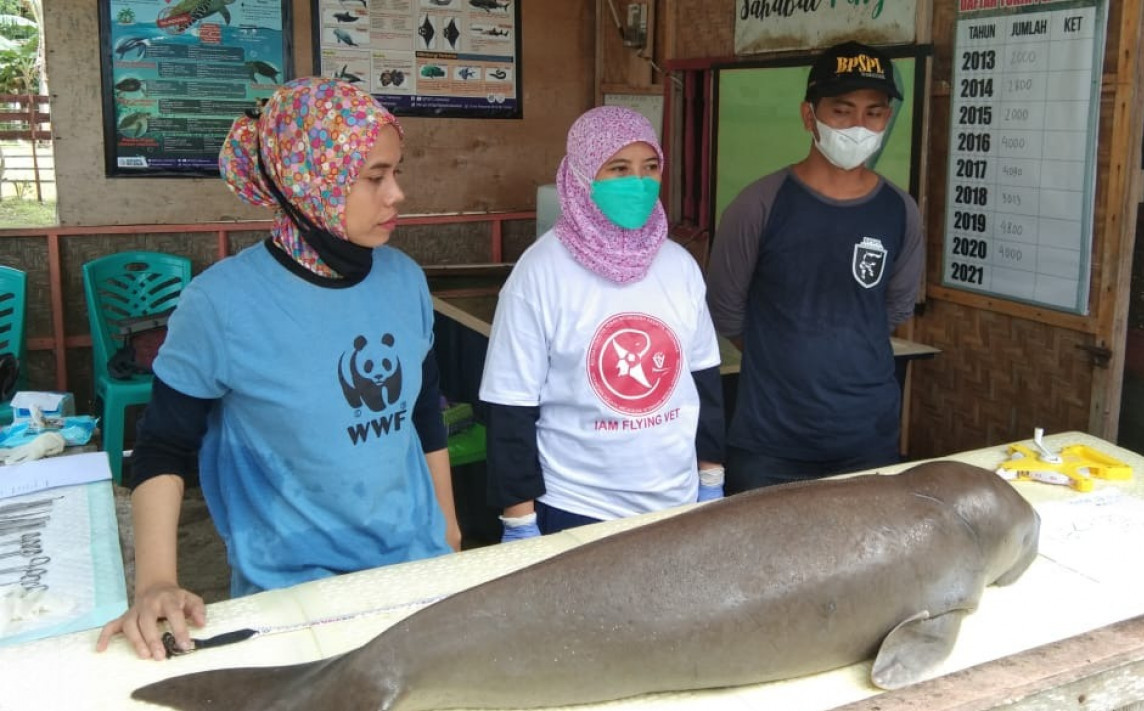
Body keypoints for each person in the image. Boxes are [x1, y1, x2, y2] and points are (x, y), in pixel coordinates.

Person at [96, 77, 461, 660]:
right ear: (309, 178)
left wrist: (448, 527)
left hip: (415, 569)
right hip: (295, 592)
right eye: (374, 177)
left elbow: (423, 411)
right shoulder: (220, 305)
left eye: (396, 171)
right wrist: (156, 581)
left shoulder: (404, 279)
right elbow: (163, 446)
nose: (397, 194)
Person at [479, 106, 725, 541]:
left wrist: (711, 479)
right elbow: (510, 405)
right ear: (582, 174)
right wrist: (519, 520)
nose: (639, 182)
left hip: (678, 500)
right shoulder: (540, 272)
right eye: (619, 168)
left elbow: (703, 380)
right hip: (577, 507)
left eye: (650, 167)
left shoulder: (679, 265)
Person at [707, 41, 926, 494]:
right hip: (770, 444)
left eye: (874, 113)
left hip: (868, 439)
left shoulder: (900, 210)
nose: (859, 126)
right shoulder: (758, 205)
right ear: (809, 116)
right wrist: (786, 357)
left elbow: (893, 309)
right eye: (842, 111)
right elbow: (725, 311)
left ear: (887, 118)